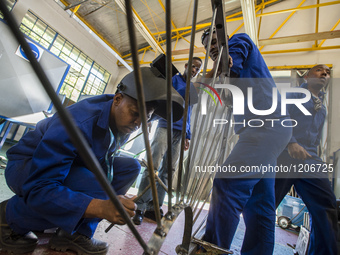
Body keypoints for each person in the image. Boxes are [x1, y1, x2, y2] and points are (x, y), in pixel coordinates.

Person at [0, 67, 184, 255]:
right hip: (27, 166)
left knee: (130, 168)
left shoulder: (119, 119)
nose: (139, 123)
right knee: (97, 188)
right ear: (118, 99)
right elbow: (40, 186)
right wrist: (99, 206)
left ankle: (74, 232)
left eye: (145, 119)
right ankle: (9, 217)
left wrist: (113, 201)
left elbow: (103, 160)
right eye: (135, 113)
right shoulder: (78, 123)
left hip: (68, 164)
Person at [200, 28, 292, 255]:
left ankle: (212, 249)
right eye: (207, 46)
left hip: (265, 129)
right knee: (259, 205)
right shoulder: (236, 76)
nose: (211, 48)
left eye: (214, 42)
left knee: (227, 184)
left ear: (224, 37)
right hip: (272, 130)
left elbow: (231, 58)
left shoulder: (239, 41)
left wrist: (203, 78)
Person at [275, 64, 338, 255]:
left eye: (327, 73)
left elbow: (316, 137)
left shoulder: (323, 108)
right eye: (319, 70)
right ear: (307, 77)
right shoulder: (294, 94)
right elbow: (278, 115)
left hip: (310, 159)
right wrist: (291, 142)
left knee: (327, 206)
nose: (324, 74)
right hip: (285, 155)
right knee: (267, 203)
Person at [132, 57, 202, 225]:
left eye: (197, 69)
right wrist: (149, 117)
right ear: (186, 66)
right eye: (193, 67)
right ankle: (140, 207)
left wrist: (188, 135)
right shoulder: (173, 80)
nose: (194, 71)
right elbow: (159, 98)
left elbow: (189, 113)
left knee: (168, 172)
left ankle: (153, 208)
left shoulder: (192, 88)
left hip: (180, 132)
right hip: (165, 126)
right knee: (153, 166)